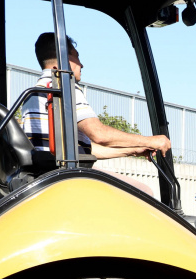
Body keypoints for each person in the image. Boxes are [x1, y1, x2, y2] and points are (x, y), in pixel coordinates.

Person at [22, 33, 171, 193]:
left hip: (52, 174)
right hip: (66, 177)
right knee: (144, 192)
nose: (82, 64)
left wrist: (134, 149)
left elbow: (86, 151)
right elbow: (99, 134)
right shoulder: (62, 88)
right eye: (76, 57)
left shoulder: (34, 94)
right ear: (63, 59)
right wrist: (151, 140)